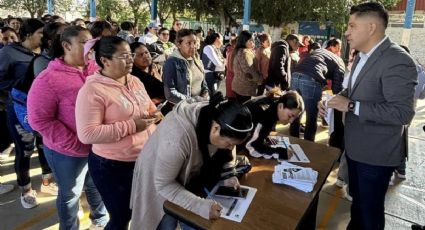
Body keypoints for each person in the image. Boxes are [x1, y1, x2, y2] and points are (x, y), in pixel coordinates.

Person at [319, 3, 417, 229]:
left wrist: (351, 106)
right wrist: (333, 101)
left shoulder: (397, 60)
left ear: (371, 27)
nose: (346, 32)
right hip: (355, 148)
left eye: (352, 26)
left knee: (370, 214)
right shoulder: (362, 56)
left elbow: (402, 113)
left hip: (375, 155)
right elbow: (351, 92)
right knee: (358, 208)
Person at [130, 93, 254, 229]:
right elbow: (164, 184)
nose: (231, 148)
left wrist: (229, 173)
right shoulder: (176, 138)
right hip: (158, 180)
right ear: (216, 129)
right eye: (229, 143)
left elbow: (228, 151)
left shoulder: (217, 116)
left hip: (185, 176)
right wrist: (202, 206)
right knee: (162, 222)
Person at [76, 36, 161, 230]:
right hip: (112, 166)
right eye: (124, 56)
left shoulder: (135, 81)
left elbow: (148, 108)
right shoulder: (92, 90)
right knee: (121, 217)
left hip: (142, 159)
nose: (131, 60)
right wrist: (132, 126)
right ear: (105, 60)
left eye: (131, 55)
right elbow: (87, 134)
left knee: (139, 211)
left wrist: (155, 116)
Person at [27, 26, 108, 229]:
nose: (90, 46)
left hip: (97, 146)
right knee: (70, 194)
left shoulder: (96, 70)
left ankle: (100, 219)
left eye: (91, 42)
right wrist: (75, 142)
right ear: (66, 45)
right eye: (83, 42)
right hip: (66, 152)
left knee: (96, 185)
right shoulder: (48, 79)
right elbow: (40, 120)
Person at [0, 18, 55, 209]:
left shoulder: (46, 53)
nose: (44, 36)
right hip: (19, 110)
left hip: (44, 110)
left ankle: (47, 182)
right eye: (40, 32)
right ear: (29, 34)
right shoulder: (9, 53)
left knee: (43, 146)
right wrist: (19, 88)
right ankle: (26, 190)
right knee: (25, 150)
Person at [289, 47, 345, 142]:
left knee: (295, 113)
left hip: (295, 75)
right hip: (311, 78)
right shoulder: (340, 63)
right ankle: (308, 147)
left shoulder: (321, 51)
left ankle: (292, 143)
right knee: (311, 117)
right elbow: (337, 89)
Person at [245, 90, 304, 159]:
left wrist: (264, 137)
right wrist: (279, 153)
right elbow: (252, 148)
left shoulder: (274, 105)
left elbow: (258, 132)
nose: (291, 121)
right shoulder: (264, 114)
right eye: (290, 116)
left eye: (295, 118)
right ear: (281, 106)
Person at [163, 29, 209, 112]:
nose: (193, 46)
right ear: (178, 44)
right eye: (188, 43)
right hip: (183, 110)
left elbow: (203, 82)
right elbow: (170, 93)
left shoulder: (196, 58)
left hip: (198, 107)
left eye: (194, 42)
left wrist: (206, 93)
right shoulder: (171, 62)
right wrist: (192, 101)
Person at [231, 30, 262, 104]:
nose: (252, 42)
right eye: (250, 40)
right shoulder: (244, 53)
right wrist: (259, 79)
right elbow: (249, 72)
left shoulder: (240, 50)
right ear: (244, 41)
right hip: (244, 88)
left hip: (240, 86)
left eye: (252, 40)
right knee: (244, 110)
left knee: (240, 107)